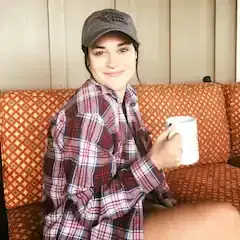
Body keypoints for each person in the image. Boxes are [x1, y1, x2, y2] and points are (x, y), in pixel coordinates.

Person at [41, 8, 240, 240]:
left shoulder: (127, 97)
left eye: (123, 49)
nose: (113, 62)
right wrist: (155, 162)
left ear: (136, 52)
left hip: (128, 210)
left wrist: (166, 201)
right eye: (100, 52)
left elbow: (132, 172)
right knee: (224, 219)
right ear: (87, 58)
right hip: (80, 231)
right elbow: (84, 212)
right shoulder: (90, 113)